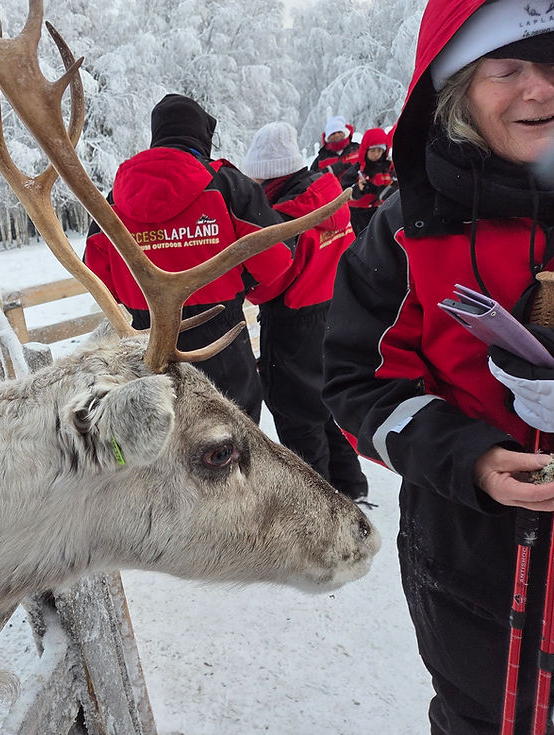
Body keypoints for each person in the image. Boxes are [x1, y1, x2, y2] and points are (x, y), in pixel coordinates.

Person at [322, 0, 554, 732]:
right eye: (506, 68)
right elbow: (358, 383)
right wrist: (471, 456)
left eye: (552, 64)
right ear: (455, 88)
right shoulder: (407, 228)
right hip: (469, 576)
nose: (538, 88)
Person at [85, 93, 294, 423]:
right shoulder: (227, 186)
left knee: (163, 452)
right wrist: (242, 279)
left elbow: (98, 275)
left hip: (148, 348)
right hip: (221, 344)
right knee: (234, 443)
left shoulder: (115, 197)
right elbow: (277, 259)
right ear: (200, 134)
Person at [243, 121, 369, 501]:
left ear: (268, 175)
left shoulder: (286, 219)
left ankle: (318, 503)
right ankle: (350, 485)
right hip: (336, 313)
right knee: (330, 407)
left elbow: (268, 285)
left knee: (298, 418)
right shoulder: (329, 197)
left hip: (293, 324)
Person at [338, 126, 398, 236]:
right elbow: (343, 191)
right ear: (365, 150)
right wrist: (357, 190)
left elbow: (397, 187)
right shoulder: (357, 170)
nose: (376, 154)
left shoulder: (389, 168)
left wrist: (388, 191)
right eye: (373, 150)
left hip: (383, 213)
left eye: (380, 150)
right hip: (359, 216)